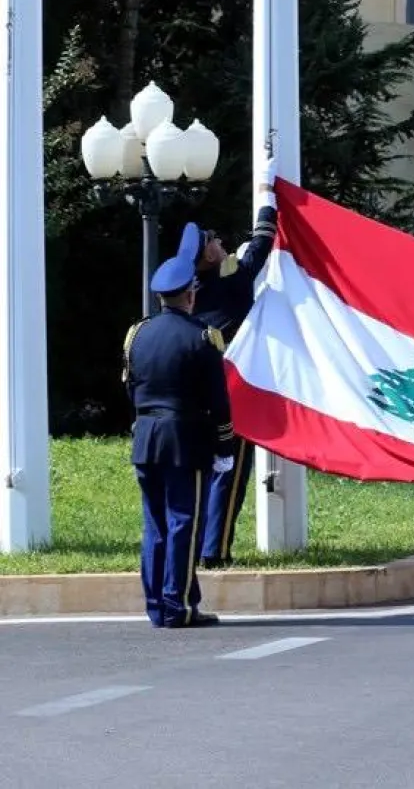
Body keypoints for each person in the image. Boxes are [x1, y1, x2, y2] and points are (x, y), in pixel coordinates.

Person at [122, 223, 237, 628]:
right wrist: (225, 448)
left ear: (160, 296)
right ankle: (180, 605)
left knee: (155, 524)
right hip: (185, 440)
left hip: (146, 437)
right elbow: (218, 401)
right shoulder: (203, 337)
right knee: (183, 521)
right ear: (191, 293)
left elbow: (131, 389)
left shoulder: (137, 334)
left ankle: (156, 604)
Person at [195, 161, 278, 569]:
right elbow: (263, 240)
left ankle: (197, 547)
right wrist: (267, 191)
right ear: (206, 257)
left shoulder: (195, 289)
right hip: (228, 396)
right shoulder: (233, 282)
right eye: (212, 240)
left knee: (200, 473)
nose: (219, 240)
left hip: (194, 396)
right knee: (229, 474)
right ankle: (216, 550)